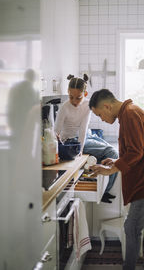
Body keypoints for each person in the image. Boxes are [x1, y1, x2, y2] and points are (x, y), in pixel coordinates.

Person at [88, 89, 144, 270]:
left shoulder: (130, 114)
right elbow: (136, 149)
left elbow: (136, 152)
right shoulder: (131, 111)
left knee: (131, 228)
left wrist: (110, 169)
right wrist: (116, 161)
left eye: (100, 115)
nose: (102, 119)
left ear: (107, 106)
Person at [54, 74, 118, 203]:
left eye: (78, 98)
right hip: (70, 141)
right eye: (71, 97)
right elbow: (56, 132)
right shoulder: (64, 108)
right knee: (112, 152)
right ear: (68, 93)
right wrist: (77, 151)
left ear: (85, 93)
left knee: (112, 152)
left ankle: (103, 188)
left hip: (86, 135)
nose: (74, 101)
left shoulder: (88, 105)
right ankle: (104, 192)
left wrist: (81, 150)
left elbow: (83, 129)